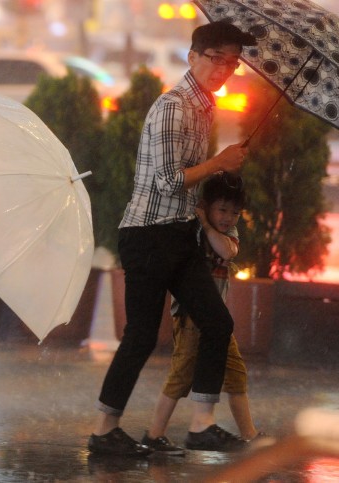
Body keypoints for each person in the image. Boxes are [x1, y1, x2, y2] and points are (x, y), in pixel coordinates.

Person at [88, 21, 257, 456]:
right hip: (146, 235)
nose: (225, 68)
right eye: (217, 57)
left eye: (233, 62)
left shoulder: (203, 108)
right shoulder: (174, 106)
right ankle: (104, 429)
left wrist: (219, 179)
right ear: (193, 56)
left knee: (217, 322)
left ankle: (202, 423)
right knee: (142, 336)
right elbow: (166, 181)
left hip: (180, 235)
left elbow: (187, 183)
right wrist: (220, 162)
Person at [144, 173, 268, 456]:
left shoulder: (227, 234)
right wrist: (198, 224)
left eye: (235, 212)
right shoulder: (191, 231)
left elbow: (227, 252)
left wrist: (209, 226)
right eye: (222, 209)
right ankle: (153, 434)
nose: (228, 217)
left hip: (216, 321)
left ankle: (249, 435)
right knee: (182, 373)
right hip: (190, 315)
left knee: (236, 373)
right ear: (206, 205)